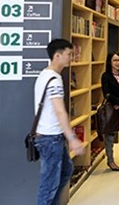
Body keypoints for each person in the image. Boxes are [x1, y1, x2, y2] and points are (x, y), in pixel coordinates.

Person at [34, 38, 84, 205]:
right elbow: (60, 111)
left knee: (65, 171)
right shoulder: (54, 79)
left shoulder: (46, 75)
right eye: (69, 54)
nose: (71, 57)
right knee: (49, 185)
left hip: (51, 136)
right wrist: (72, 138)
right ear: (57, 56)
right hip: (51, 138)